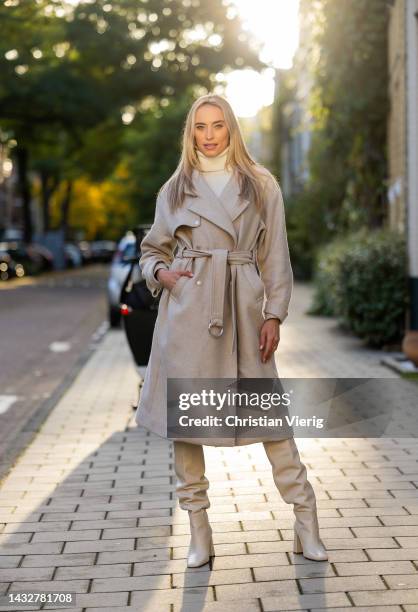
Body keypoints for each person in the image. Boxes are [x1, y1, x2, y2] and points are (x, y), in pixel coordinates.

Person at [135, 93, 328, 567]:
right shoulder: (174, 190)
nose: (208, 134)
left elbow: (277, 257)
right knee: (187, 429)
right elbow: (150, 252)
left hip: (242, 311)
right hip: (188, 314)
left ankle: (307, 521)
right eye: (199, 126)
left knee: (272, 422)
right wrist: (163, 276)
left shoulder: (261, 185)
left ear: (231, 129)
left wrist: (273, 314)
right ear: (190, 132)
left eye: (217, 125)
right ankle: (199, 531)